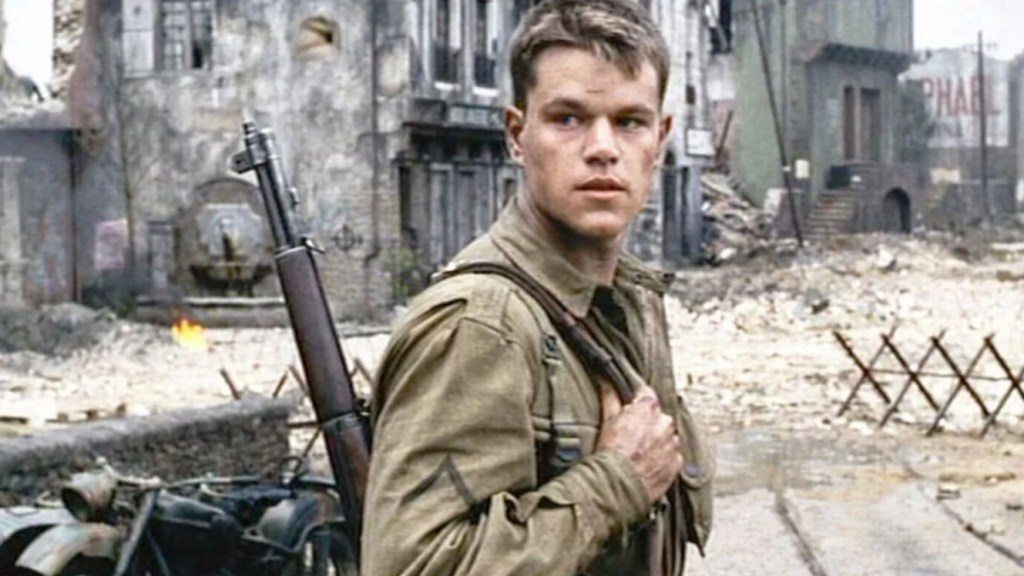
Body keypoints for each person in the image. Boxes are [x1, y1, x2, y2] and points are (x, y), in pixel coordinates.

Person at [361, 0, 713, 574]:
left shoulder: (628, 300)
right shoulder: (480, 324)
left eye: (630, 121)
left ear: (661, 137)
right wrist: (616, 483)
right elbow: (413, 566)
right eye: (568, 118)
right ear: (517, 135)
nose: (603, 147)